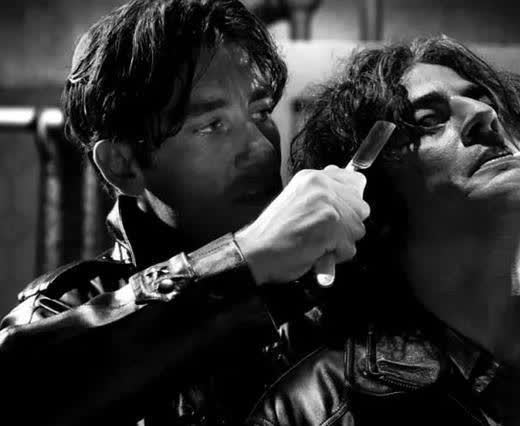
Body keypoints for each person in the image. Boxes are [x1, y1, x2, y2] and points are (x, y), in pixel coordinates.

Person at [0, 1, 370, 425]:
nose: (263, 149)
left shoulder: (327, 285)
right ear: (123, 165)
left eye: (261, 112)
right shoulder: (59, 308)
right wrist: (243, 259)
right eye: (211, 125)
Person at [246, 36, 520, 426]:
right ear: (372, 197)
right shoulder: (311, 412)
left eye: (485, 101)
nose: (485, 115)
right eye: (428, 120)